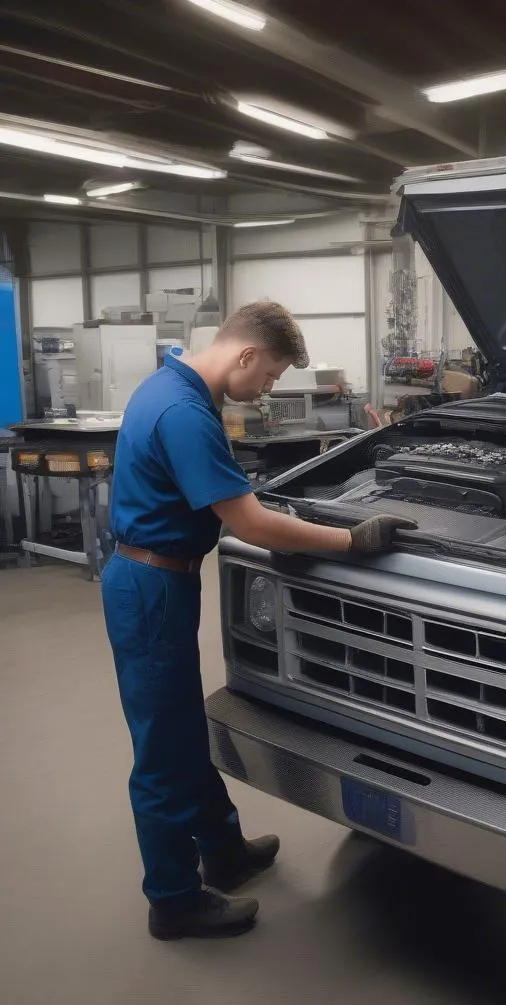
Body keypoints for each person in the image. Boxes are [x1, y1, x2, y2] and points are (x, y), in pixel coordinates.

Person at [101, 301, 413, 941]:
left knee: (184, 724)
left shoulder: (169, 384)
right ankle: (174, 899)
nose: (266, 392)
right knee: (162, 747)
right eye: (269, 377)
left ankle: (223, 848)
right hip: (153, 584)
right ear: (245, 354)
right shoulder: (185, 413)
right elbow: (247, 523)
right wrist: (349, 540)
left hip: (157, 575)